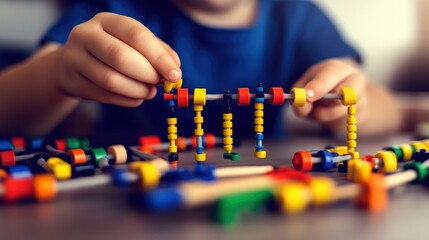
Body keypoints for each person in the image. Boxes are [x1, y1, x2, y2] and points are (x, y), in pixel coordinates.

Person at [0, 0, 401, 142]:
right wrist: (57, 74)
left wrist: (357, 102)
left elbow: (389, 110)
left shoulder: (299, 18)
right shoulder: (114, 10)